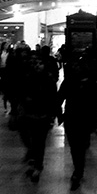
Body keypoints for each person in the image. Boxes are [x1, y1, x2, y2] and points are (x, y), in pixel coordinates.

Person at [58, 54, 97, 190]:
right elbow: (59, 99)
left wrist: (59, 115)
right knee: (77, 146)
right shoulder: (76, 82)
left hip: (76, 117)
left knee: (78, 146)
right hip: (79, 118)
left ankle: (78, 170)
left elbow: (59, 98)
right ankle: (78, 169)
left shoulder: (74, 82)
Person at [15, 50, 58, 183]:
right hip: (29, 114)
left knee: (39, 141)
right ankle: (34, 159)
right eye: (35, 63)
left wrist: (53, 114)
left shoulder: (48, 79)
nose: (37, 65)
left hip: (42, 115)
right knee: (30, 138)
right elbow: (20, 93)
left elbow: (53, 98)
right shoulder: (27, 77)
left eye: (39, 63)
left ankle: (37, 164)